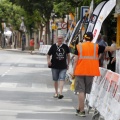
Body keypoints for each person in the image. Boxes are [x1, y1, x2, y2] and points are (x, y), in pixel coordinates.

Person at [72, 32, 119, 117]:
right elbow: (109, 48)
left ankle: (82, 111)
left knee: (80, 90)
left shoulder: (79, 46)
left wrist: (73, 72)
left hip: (80, 71)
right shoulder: (96, 46)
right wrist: (117, 46)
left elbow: (76, 60)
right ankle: (79, 108)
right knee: (85, 90)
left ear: (84, 38)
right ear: (92, 38)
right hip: (91, 71)